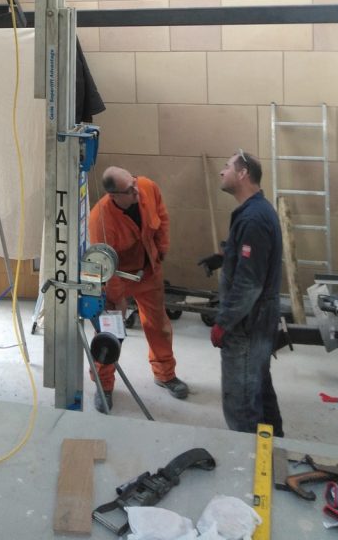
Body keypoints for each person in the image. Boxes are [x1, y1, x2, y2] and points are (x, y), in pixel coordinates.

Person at [89, 166, 189, 412]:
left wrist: (161, 250)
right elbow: (105, 265)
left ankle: (165, 374)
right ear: (114, 195)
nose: (137, 190)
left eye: (134, 182)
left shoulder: (146, 187)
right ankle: (103, 384)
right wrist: (117, 298)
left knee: (159, 325)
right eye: (129, 189)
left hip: (148, 270)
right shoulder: (99, 220)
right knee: (111, 332)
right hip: (117, 277)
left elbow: (162, 217)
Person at [210, 149, 284, 437]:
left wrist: (223, 323)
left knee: (241, 402)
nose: (222, 171)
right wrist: (226, 256)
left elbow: (249, 284)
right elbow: (252, 260)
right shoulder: (257, 210)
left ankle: (250, 458)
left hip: (247, 324)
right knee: (259, 389)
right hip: (259, 320)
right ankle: (274, 451)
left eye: (227, 166)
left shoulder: (253, 218)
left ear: (243, 174)